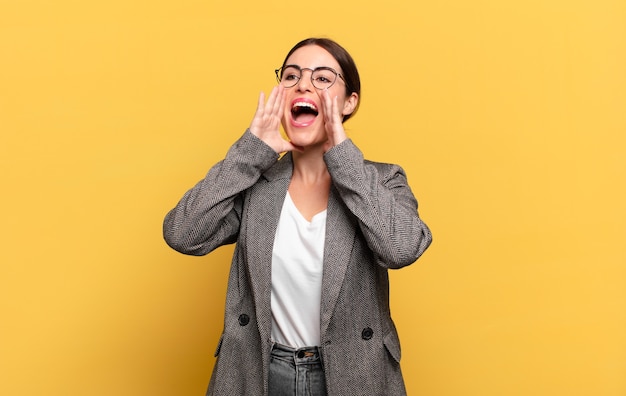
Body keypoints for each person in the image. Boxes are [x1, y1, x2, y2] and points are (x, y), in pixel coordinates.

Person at [163, 37, 432, 396]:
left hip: (353, 374)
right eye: (291, 76)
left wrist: (344, 157)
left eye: (322, 78)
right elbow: (183, 233)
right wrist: (250, 152)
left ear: (349, 101)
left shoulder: (383, 180)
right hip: (261, 372)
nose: (303, 84)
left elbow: (402, 249)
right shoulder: (256, 184)